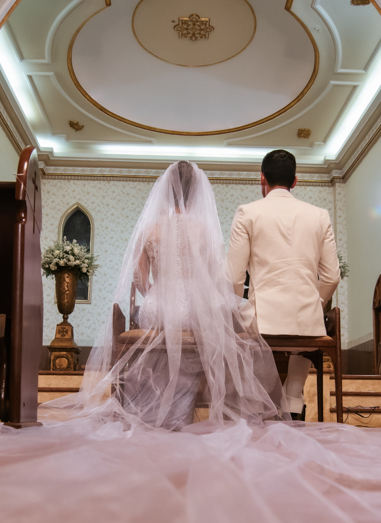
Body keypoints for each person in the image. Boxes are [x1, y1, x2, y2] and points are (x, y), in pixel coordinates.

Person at [47, 160, 282, 429]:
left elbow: (139, 278)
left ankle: (155, 407)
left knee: (162, 333)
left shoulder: (151, 228)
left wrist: (157, 293)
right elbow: (214, 278)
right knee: (222, 325)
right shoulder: (204, 230)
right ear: (195, 191)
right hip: (193, 309)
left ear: (166, 190)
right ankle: (185, 406)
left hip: (157, 308)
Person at [226, 150, 339, 419]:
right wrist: (315, 303)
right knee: (304, 335)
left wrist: (234, 308)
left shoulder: (247, 213)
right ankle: (293, 398)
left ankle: (257, 403)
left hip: (264, 319)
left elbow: (232, 278)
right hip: (306, 317)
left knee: (238, 327)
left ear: (262, 179)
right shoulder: (319, 215)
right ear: (295, 181)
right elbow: (332, 277)